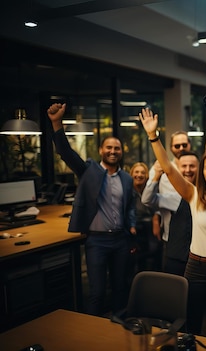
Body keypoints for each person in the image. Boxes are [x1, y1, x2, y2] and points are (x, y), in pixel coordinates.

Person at [139, 109, 206, 351]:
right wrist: (153, 136)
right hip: (196, 267)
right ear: (202, 172)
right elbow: (167, 167)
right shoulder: (192, 194)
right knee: (192, 323)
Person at [46, 102, 136, 316]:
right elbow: (66, 152)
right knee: (96, 292)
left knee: (120, 289)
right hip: (97, 241)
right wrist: (57, 123)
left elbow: (130, 206)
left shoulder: (127, 179)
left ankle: (118, 334)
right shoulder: (89, 171)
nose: (113, 152)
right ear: (100, 150)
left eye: (117, 148)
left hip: (121, 241)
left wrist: (131, 226)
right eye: (109, 148)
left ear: (121, 152)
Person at [142, 151, 199, 276]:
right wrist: (156, 176)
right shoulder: (175, 197)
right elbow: (146, 199)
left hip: (200, 259)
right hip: (177, 257)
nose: (188, 170)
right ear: (178, 169)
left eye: (192, 166)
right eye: (184, 166)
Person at [129, 162, 160, 272]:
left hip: (151, 226)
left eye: (143, 172)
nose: (139, 175)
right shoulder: (128, 190)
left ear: (147, 175)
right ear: (131, 174)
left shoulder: (151, 189)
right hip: (134, 227)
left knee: (154, 255)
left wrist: (156, 217)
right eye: (136, 172)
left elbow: (158, 206)